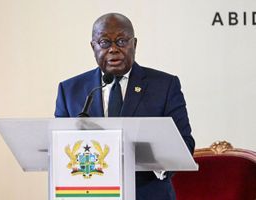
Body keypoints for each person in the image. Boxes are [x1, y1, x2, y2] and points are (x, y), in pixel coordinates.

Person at [55, 13, 195, 200]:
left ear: (134, 44)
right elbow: (59, 147)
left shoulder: (164, 85)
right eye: (104, 42)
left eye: (121, 41)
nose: (113, 49)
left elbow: (185, 144)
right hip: (88, 193)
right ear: (93, 46)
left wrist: (150, 159)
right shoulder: (70, 90)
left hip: (147, 193)